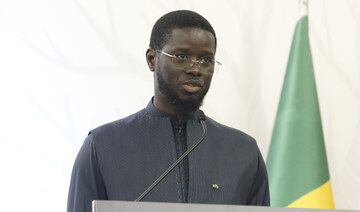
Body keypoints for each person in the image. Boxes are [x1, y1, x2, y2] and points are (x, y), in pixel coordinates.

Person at [67, 10, 270, 212]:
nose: (195, 69)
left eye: (206, 60)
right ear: (152, 59)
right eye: (182, 56)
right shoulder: (102, 146)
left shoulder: (244, 152)